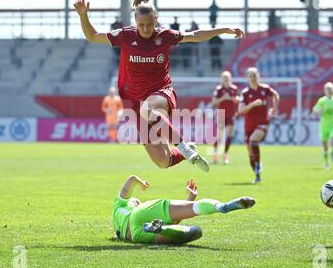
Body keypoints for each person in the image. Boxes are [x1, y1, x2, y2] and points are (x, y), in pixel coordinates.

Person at [74, 0, 245, 172]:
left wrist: (223, 30)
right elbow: (92, 36)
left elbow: (195, 35)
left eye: (149, 24)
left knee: (149, 109)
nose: (146, 29)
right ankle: (187, 150)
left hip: (161, 93)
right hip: (138, 101)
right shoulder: (125, 35)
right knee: (163, 161)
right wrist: (83, 15)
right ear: (135, 21)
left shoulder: (164, 35)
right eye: (141, 25)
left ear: (156, 20)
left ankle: (185, 148)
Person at [112, 175, 256, 244]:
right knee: (196, 225)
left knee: (192, 232)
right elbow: (131, 179)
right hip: (138, 216)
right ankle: (221, 207)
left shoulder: (119, 213)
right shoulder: (128, 206)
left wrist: (189, 198)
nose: (136, 200)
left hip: (136, 235)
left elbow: (174, 221)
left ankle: (158, 228)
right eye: (135, 200)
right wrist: (142, 184)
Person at [237, 68, 280, 184]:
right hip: (249, 125)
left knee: (253, 140)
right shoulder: (245, 93)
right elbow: (240, 110)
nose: (252, 78)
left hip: (263, 123)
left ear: (258, 76)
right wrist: (252, 104)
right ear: (247, 78)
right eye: (250, 76)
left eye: (254, 75)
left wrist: (274, 108)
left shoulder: (265, 89)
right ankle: (257, 173)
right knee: (251, 154)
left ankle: (257, 169)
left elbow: (276, 95)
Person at [312, 82, 333, 170]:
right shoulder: (321, 101)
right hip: (324, 125)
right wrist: (318, 111)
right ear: (324, 90)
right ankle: (326, 163)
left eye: (330, 89)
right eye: (327, 89)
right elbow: (314, 110)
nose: (329, 90)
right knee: (325, 145)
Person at [211, 71, 239, 164]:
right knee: (219, 136)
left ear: (230, 78)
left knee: (229, 135)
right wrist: (224, 98)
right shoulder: (219, 89)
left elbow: (236, 99)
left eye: (227, 77)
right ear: (221, 79)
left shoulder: (234, 88)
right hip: (221, 114)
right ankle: (215, 154)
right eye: (224, 77)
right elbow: (214, 102)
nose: (226, 79)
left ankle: (225, 155)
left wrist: (235, 99)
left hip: (231, 114)